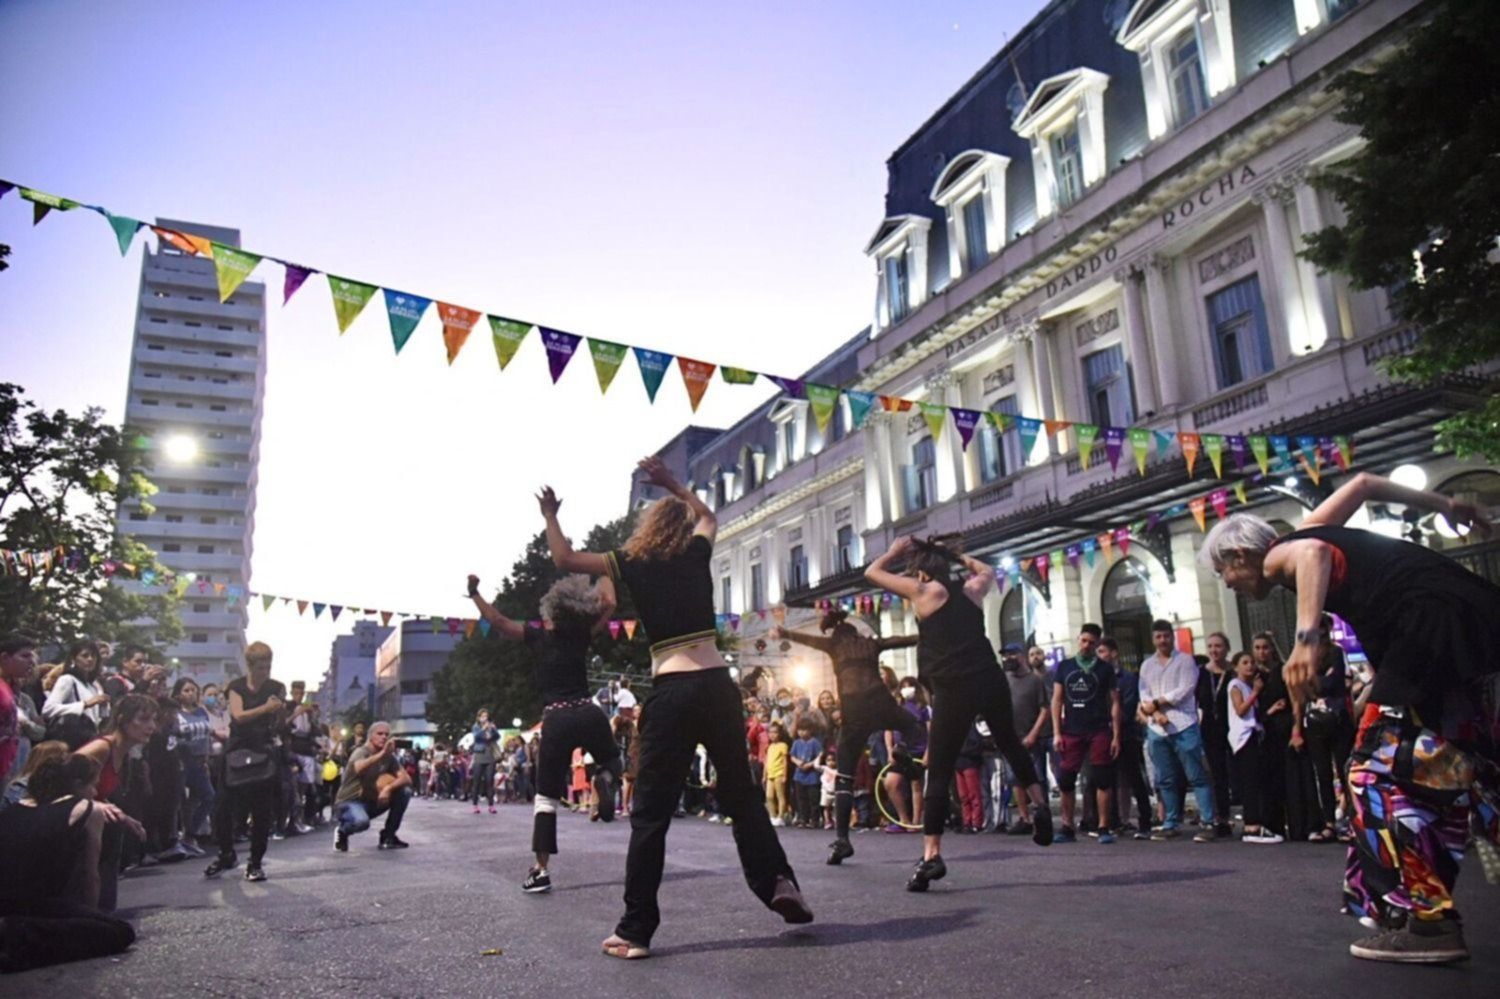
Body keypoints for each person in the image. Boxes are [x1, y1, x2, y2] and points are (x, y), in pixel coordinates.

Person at [1201, 471, 1499, 963]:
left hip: (1430, 628)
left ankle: (1430, 923)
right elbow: (1362, 484)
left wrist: (1305, 641)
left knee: (1370, 776)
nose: (1228, 584)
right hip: (1465, 618)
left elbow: (1313, 555)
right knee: (1467, 764)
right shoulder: (1308, 529)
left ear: (1238, 556)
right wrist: (1443, 503)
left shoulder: (1284, 554)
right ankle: (1427, 910)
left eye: (1222, 573)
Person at [539, 456, 810, 958]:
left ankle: (636, 929)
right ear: (682, 528)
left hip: (673, 688)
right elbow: (709, 516)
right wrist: (673, 484)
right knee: (742, 796)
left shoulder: (630, 560)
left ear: (648, 528)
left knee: (651, 813)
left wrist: (551, 515)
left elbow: (564, 558)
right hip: (717, 686)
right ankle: (778, 881)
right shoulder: (696, 551)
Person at [865, 535, 1052, 891]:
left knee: (939, 770)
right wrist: (957, 556)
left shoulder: (924, 592)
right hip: (989, 678)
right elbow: (988, 571)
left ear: (921, 573)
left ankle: (932, 855)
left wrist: (894, 551)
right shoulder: (970, 590)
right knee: (1010, 743)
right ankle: (1040, 804)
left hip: (954, 687)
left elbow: (872, 573)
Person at [470, 567, 625, 891]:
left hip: (557, 718)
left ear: (551, 612)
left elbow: (498, 621)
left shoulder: (538, 637)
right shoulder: (580, 635)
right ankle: (606, 778)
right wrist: (605, 567)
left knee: (545, 799)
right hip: (588, 711)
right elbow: (610, 603)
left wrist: (474, 594)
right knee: (613, 760)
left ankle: (540, 871)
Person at [770, 610, 922, 863]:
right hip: (879, 701)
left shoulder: (834, 645)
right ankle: (902, 750)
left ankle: (842, 840)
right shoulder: (870, 643)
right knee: (912, 725)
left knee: (845, 777)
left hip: (854, 710)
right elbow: (900, 640)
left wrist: (783, 632)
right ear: (855, 631)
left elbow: (808, 640)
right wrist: (927, 632)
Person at [0, 753, 138, 971]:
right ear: (77, 784)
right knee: (119, 931)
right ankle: (14, 935)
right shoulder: (86, 809)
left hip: (8, 899)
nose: (95, 793)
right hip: (37, 903)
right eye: (93, 786)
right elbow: (90, 875)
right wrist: (89, 917)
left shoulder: (14, 809)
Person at [205, 641, 285, 882]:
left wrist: (279, 711)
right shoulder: (237, 687)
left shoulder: (276, 687)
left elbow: (279, 720)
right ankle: (226, 853)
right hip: (237, 749)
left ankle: (255, 862)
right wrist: (266, 708)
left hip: (263, 749)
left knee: (261, 810)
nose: (265, 672)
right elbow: (238, 716)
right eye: (260, 667)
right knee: (222, 806)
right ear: (250, 666)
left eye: (268, 667)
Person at [1139, 620, 1218, 842]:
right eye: (1158, 636)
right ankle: (1171, 822)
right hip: (1157, 728)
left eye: (1166, 636)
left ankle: (1208, 821)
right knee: (1166, 779)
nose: (1162, 640)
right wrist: (1155, 713)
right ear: (1153, 639)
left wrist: (1157, 703)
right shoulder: (1147, 666)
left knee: (1197, 775)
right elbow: (1144, 695)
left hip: (1183, 724)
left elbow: (1185, 689)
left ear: (1172, 637)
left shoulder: (1185, 660)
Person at [75, 694, 156, 911]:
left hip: (86, 815)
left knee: (115, 828)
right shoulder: (102, 748)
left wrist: (124, 816)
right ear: (122, 719)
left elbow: (97, 792)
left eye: (152, 720)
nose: (151, 726)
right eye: (144, 719)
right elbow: (63, 779)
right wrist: (97, 805)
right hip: (64, 816)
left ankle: (103, 910)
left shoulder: (123, 754)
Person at [1050, 624, 1121, 845]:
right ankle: (1067, 826)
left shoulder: (1105, 669)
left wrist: (1116, 735)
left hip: (1098, 729)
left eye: (1091, 642)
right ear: (1078, 639)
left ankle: (1103, 826)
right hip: (1071, 730)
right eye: (1084, 640)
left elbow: (1115, 702)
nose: (1086, 645)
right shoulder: (1065, 667)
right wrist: (1056, 732)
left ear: (1097, 644)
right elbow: (1057, 700)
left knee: (1102, 779)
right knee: (1066, 780)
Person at [1228, 651, 1281, 844]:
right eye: (1244, 662)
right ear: (1236, 667)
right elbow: (1241, 710)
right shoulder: (1235, 685)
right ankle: (1251, 825)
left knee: (1258, 780)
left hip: (1254, 733)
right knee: (1250, 781)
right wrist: (1256, 692)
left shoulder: (1249, 686)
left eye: (1251, 662)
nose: (1250, 666)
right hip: (1243, 737)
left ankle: (1258, 822)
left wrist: (1272, 709)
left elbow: (1255, 714)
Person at [333, 720, 411, 852]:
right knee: (361, 822)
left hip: (370, 801)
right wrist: (382, 754)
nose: (384, 737)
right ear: (370, 736)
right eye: (379, 734)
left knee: (405, 792)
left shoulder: (388, 757)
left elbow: (406, 778)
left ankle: (388, 836)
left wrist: (388, 788)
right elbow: (359, 768)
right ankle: (342, 831)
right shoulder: (361, 751)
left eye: (386, 734)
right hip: (349, 802)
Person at [1000, 642, 1051, 836]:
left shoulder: (1035, 680)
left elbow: (1044, 709)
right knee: (1014, 779)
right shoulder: (1004, 680)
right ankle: (1024, 818)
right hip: (1010, 737)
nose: (1008, 659)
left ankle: (1042, 815)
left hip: (1030, 737)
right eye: (1006, 656)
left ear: (1021, 656)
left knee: (1034, 777)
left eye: (1012, 654)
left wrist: (1033, 734)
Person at [41, 639, 109, 749]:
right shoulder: (67, 680)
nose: (90, 659)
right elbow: (48, 709)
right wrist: (85, 704)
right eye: (85, 655)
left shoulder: (93, 685)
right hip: (72, 739)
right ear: (73, 659)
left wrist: (103, 706)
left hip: (89, 740)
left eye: (93, 656)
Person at [1200, 632, 1236, 839]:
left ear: (1227, 648)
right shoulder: (1201, 673)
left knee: (1236, 772)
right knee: (1217, 774)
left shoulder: (1234, 672)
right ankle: (1221, 818)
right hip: (1209, 728)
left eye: (1219, 646)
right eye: (1211, 646)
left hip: (1233, 726)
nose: (1214, 650)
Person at [173, 678, 215, 855]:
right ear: (178, 694)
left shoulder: (201, 712)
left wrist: (206, 760)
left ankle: (190, 836)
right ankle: (182, 837)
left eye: (193, 690)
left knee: (205, 797)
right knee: (183, 802)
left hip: (199, 762)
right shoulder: (176, 714)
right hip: (183, 761)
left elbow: (206, 737)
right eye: (186, 690)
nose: (191, 693)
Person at [2, 634, 43, 792]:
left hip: (10, 767)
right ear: (5, 658)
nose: (32, 662)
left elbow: (40, 728)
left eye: (32, 656)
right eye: (25, 656)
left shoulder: (14, 692)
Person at [789, 720, 822, 829]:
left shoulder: (815, 742)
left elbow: (820, 755)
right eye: (800, 730)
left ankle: (814, 820)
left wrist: (809, 764)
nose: (802, 732)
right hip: (799, 776)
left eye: (804, 730)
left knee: (813, 799)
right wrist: (797, 762)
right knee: (801, 799)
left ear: (810, 730)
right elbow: (792, 756)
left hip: (812, 776)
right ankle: (804, 819)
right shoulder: (796, 742)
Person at [467, 709, 502, 815]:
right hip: (479, 755)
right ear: (479, 717)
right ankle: (475, 805)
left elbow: (497, 737)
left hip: (490, 755)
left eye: (486, 716)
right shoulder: (476, 727)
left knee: (489, 781)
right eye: (482, 716)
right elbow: (476, 737)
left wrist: (494, 730)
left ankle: (491, 805)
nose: (485, 718)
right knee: (477, 781)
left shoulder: (490, 726)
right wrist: (483, 729)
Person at [764, 720, 790, 825]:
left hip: (779, 773)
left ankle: (780, 816)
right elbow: (766, 762)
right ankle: (772, 815)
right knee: (769, 796)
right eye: (770, 732)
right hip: (770, 774)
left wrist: (784, 775)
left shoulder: (783, 745)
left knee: (780, 796)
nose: (772, 735)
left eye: (775, 732)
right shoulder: (770, 747)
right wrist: (764, 775)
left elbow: (784, 761)